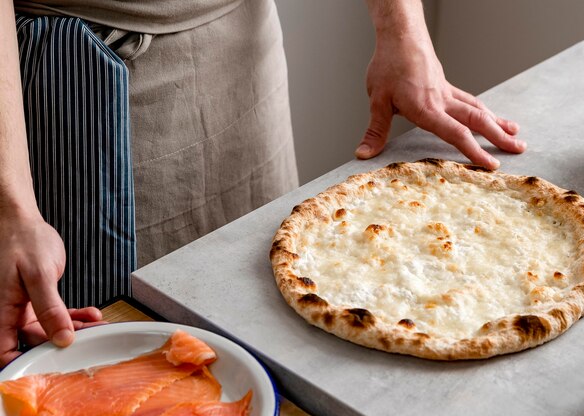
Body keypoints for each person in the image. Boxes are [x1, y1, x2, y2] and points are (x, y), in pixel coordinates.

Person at [0, 0, 526, 367]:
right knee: (112, 361)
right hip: (84, 85)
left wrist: (402, 31)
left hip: (242, 52)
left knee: (279, 327)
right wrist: (13, 210)